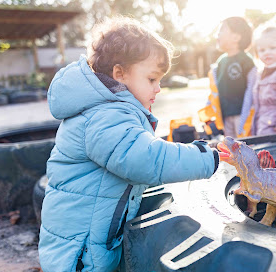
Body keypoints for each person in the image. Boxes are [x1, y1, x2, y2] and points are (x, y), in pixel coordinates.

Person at [38, 16, 219, 272]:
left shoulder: (110, 111)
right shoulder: (104, 116)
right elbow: (145, 160)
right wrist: (205, 157)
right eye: (152, 79)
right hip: (79, 252)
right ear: (119, 74)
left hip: (90, 242)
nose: (158, 88)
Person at [211, 16, 256, 138]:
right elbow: (215, 89)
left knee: (244, 145)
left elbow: (251, 90)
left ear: (236, 37)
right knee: (230, 149)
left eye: (221, 31)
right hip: (225, 115)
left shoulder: (246, 61)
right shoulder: (220, 62)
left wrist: (245, 117)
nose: (217, 35)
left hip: (242, 114)